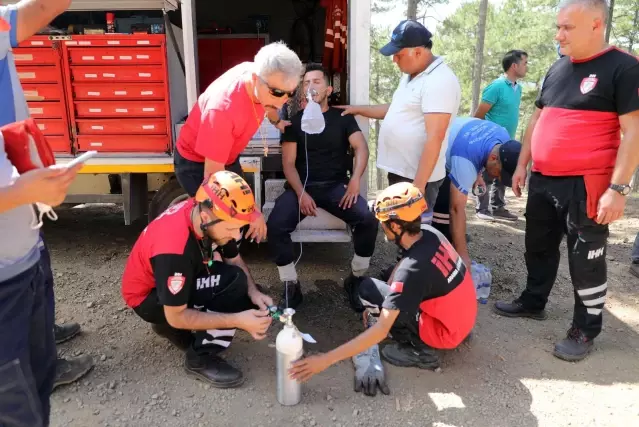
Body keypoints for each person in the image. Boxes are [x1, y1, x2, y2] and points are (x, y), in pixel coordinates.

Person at [493, 0, 639, 362]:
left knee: (585, 258)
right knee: (538, 246)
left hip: (586, 183)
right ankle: (533, 301)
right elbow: (536, 119)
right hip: (543, 178)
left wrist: (619, 189)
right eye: (558, 26)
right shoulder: (558, 67)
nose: (558, 35)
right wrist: (523, 163)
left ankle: (585, 329)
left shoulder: (624, 66)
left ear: (595, 24)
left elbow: (634, 131)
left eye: (567, 28)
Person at [288, 182, 477, 392]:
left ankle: (422, 351)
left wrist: (325, 360)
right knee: (383, 282)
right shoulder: (430, 233)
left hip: (445, 333)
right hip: (463, 318)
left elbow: (380, 330)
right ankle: (448, 332)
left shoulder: (411, 271)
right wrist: (391, 289)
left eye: (384, 222)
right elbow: (405, 264)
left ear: (396, 226)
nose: (381, 227)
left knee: (369, 291)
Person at [0, 2, 93, 424]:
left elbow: (48, 5)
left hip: (27, 259)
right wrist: (22, 192)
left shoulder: (0, 27)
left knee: (38, 389)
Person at [121, 171, 274, 388]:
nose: (237, 235)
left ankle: (167, 326)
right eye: (232, 228)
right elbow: (176, 316)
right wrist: (238, 320)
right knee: (231, 289)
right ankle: (199, 359)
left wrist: (254, 292)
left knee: (241, 287)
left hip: (162, 284)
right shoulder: (174, 250)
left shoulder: (206, 210)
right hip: (148, 299)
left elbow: (234, 258)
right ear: (205, 218)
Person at [338, 20, 461, 280]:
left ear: (418, 51)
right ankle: (401, 270)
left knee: (415, 232)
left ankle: (415, 282)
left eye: (399, 53)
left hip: (419, 176)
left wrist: (416, 190)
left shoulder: (440, 80)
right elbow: (394, 110)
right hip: (401, 171)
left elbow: (435, 138)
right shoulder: (411, 75)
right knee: (402, 229)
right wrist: (359, 109)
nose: (394, 59)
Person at [266, 63, 378, 310]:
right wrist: (301, 193)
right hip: (300, 188)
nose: (310, 86)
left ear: (328, 89)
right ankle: (290, 285)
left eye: (316, 82)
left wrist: (355, 179)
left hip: (335, 187)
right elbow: (289, 165)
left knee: (368, 219)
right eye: (305, 83)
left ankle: (356, 278)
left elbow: (361, 148)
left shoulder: (342, 119)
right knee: (274, 226)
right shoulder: (294, 123)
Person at [174, 41, 304, 243]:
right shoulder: (222, 110)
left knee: (237, 221)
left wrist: (277, 121)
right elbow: (214, 182)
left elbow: (271, 103)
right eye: (277, 93)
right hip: (198, 163)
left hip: (227, 157)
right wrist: (252, 213)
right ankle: (209, 262)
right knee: (219, 225)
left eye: (291, 93)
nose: (282, 101)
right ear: (255, 79)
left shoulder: (262, 81)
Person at [431, 117, 521, 267]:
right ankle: (436, 252)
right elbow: (456, 209)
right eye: (499, 173)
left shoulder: (503, 138)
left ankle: (451, 242)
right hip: (434, 147)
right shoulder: (464, 161)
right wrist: (463, 256)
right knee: (443, 206)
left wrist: (477, 174)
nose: (497, 177)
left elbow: (481, 148)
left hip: (458, 140)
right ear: (494, 158)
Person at [473, 50, 528, 222]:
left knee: (502, 172)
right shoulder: (496, 86)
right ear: (514, 66)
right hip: (490, 142)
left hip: (508, 139)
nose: (527, 67)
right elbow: (479, 114)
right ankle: (481, 208)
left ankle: (498, 207)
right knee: (488, 173)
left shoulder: (518, 88)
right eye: (525, 63)